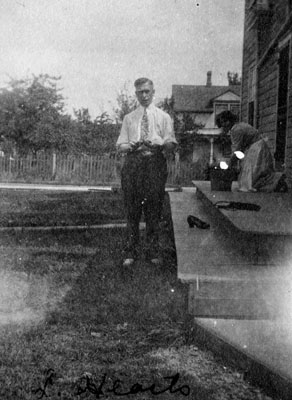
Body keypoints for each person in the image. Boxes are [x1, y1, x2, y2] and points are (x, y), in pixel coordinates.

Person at [116, 77, 177, 266]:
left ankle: (153, 252)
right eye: (140, 92)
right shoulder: (129, 118)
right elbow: (120, 145)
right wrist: (130, 145)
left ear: (153, 92)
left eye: (147, 91)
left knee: (153, 210)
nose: (144, 95)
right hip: (133, 164)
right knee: (132, 210)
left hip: (154, 164)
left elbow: (171, 143)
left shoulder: (164, 117)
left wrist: (161, 143)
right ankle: (130, 252)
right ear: (136, 94)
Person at [216, 110, 288, 193]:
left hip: (257, 148)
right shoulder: (238, 126)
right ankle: (277, 184)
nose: (224, 125)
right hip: (255, 147)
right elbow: (240, 148)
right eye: (222, 123)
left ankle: (278, 182)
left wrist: (230, 163)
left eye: (226, 121)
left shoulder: (236, 130)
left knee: (254, 174)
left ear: (230, 120)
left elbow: (237, 149)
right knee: (255, 173)